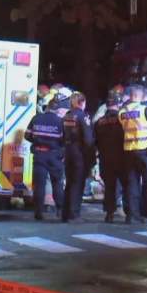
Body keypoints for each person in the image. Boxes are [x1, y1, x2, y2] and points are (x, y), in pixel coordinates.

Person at [118, 85, 147, 223]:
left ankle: (132, 216)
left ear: (131, 96)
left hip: (129, 150)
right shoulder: (145, 109)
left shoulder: (122, 112)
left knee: (132, 184)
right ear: (140, 97)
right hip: (145, 150)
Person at [25, 94, 66, 220]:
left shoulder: (36, 118)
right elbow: (64, 140)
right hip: (54, 156)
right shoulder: (60, 122)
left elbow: (27, 135)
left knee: (39, 185)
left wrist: (37, 141)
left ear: (47, 107)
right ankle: (60, 210)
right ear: (57, 110)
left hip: (39, 154)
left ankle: (38, 212)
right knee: (57, 183)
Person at [94, 90, 126, 223]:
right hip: (121, 157)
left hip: (105, 157)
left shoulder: (99, 121)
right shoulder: (122, 120)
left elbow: (95, 141)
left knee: (109, 185)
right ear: (118, 104)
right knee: (124, 184)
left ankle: (109, 212)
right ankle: (126, 211)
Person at [62, 92, 94, 222]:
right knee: (77, 183)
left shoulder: (67, 115)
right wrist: (90, 156)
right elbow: (88, 139)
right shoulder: (83, 116)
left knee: (69, 183)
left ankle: (65, 213)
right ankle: (74, 214)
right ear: (82, 102)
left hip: (67, 151)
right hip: (79, 153)